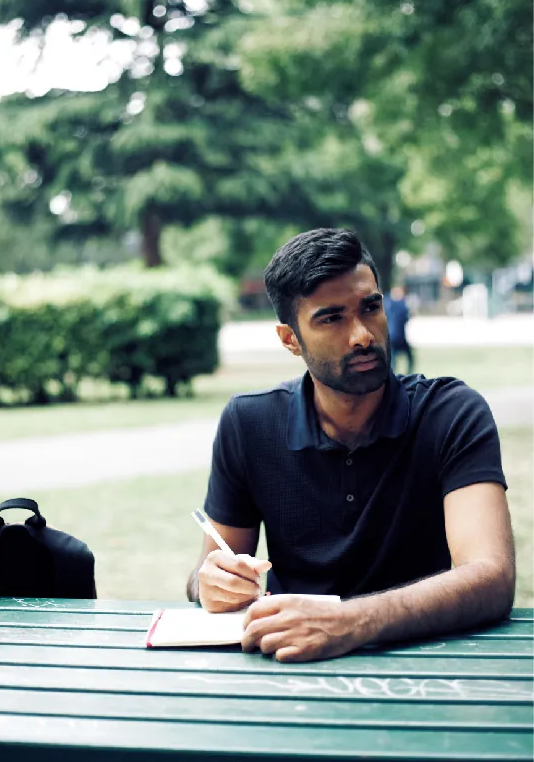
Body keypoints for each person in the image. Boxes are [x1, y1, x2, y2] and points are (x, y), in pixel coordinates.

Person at [187, 228, 514, 663]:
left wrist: (349, 623)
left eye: (370, 307)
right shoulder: (250, 423)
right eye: (331, 317)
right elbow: (210, 569)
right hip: (289, 668)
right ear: (290, 340)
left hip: (431, 664)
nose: (362, 335)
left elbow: (491, 577)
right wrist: (209, 583)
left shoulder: (451, 413)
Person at [384, 285, 414, 374]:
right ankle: (408, 373)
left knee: (393, 360)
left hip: (390, 336)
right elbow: (406, 319)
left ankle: (393, 374)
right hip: (399, 336)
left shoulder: (387, 303)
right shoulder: (402, 305)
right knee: (409, 358)